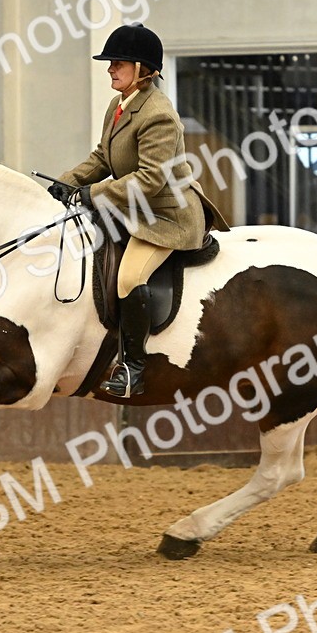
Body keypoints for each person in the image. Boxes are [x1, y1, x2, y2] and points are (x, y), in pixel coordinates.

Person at [50, 23, 228, 398]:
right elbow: (103, 156)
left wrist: (92, 193)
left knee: (128, 278)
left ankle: (133, 368)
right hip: (134, 210)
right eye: (110, 62)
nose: (110, 69)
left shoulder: (159, 114)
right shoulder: (119, 105)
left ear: (143, 69)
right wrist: (67, 183)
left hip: (167, 216)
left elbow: (149, 180)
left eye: (117, 63)